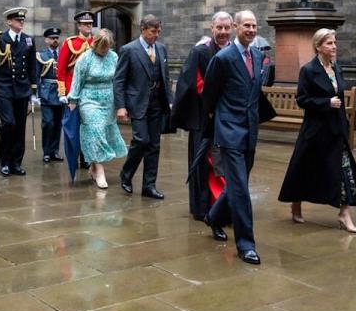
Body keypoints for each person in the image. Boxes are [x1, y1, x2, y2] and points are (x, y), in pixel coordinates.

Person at [201, 10, 277, 264]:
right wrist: (221, 123)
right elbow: (209, 96)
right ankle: (246, 244)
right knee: (242, 189)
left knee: (236, 184)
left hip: (250, 132)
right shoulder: (223, 58)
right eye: (247, 25)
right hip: (229, 132)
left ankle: (213, 217)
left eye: (255, 25)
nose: (252, 30)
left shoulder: (257, 56)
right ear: (235, 27)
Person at [278, 28, 356, 233]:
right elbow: (302, 99)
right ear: (318, 46)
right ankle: (296, 202)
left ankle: (344, 214)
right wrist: (326, 102)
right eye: (329, 43)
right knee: (303, 168)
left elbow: (339, 94)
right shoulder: (308, 70)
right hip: (315, 130)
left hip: (336, 129)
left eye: (335, 42)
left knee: (345, 170)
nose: (334, 46)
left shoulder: (337, 68)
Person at [171, 11, 233, 221]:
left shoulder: (237, 52)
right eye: (219, 28)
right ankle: (205, 207)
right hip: (205, 119)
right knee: (205, 164)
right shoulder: (200, 52)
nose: (223, 32)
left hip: (229, 120)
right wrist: (215, 103)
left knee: (226, 163)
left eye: (227, 28)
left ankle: (225, 206)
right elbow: (195, 84)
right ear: (212, 28)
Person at [115, 15, 173, 199]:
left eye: (158, 31)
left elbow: (166, 76)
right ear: (143, 29)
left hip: (157, 103)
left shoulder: (162, 49)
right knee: (141, 140)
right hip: (137, 102)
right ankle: (126, 174)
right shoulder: (128, 50)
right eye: (153, 31)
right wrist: (121, 106)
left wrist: (169, 100)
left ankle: (149, 185)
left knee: (154, 145)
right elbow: (119, 80)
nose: (156, 35)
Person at [66, 29, 128, 189]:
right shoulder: (85, 58)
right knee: (95, 130)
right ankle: (100, 171)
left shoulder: (114, 57)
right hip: (89, 100)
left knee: (102, 133)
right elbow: (77, 81)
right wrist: (73, 101)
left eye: (107, 47)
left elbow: (119, 80)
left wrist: (122, 103)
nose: (104, 51)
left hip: (108, 101)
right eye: (102, 47)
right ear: (96, 45)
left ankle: (93, 167)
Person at [0, 7, 39, 177]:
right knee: (8, 124)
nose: (21, 22)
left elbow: (32, 66)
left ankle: (16, 163)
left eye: (22, 20)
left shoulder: (28, 40)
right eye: (18, 20)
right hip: (4, 88)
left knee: (20, 127)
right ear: (9, 22)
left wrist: (33, 91)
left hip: (22, 89)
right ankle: (5, 162)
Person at [58, 11, 95, 176]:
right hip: (73, 90)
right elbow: (61, 69)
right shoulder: (70, 43)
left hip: (92, 91)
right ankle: (76, 156)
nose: (88, 27)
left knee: (90, 126)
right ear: (79, 26)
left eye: (90, 24)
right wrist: (63, 92)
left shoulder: (97, 42)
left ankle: (86, 157)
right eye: (85, 24)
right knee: (75, 126)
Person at [37, 27, 66, 163]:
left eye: (56, 38)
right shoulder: (41, 55)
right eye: (52, 38)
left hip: (61, 92)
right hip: (47, 92)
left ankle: (55, 151)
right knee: (48, 123)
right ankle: (47, 151)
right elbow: (36, 75)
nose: (55, 40)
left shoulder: (63, 54)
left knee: (58, 123)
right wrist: (35, 93)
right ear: (46, 40)